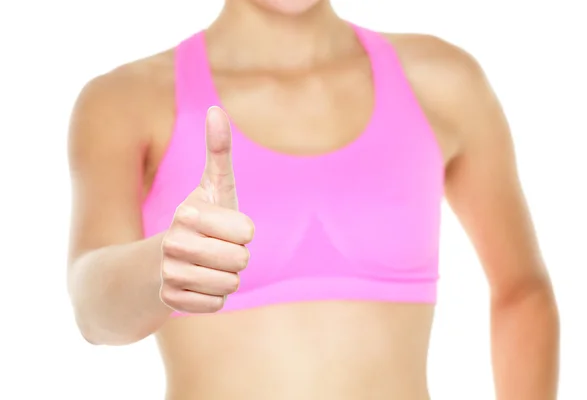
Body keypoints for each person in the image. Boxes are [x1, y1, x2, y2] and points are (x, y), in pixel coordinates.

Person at [66, 0, 560, 399]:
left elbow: (521, 290)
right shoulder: (126, 101)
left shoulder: (442, 81)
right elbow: (91, 307)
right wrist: (163, 263)